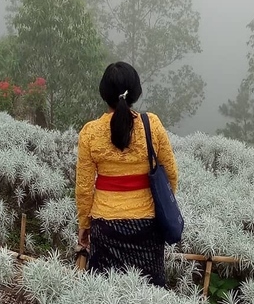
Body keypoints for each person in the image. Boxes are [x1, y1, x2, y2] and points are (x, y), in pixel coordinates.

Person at [75, 62, 178, 287]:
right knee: (150, 294)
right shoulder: (152, 125)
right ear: (136, 92)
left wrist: (84, 223)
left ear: (104, 93)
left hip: (105, 226)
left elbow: (84, 188)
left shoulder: (90, 132)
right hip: (147, 226)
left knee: (104, 293)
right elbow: (171, 174)